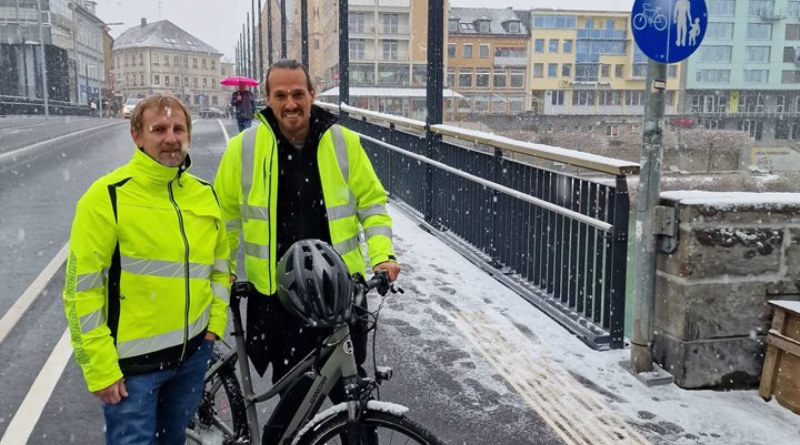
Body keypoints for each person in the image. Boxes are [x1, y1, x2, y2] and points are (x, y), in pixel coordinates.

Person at [214, 58, 400, 397]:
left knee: (354, 399)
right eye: (280, 95)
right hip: (279, 300)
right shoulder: (243, 149)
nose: (290, 103)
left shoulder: (343, 142)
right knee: (293, 408)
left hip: (342, 293)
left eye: (298, 93)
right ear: (267, 99)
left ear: (312, 94)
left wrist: (383, 256)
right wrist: (222, 270)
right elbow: (223, 219)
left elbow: (373, 206)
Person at [62, 94, 230, 445]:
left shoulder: (203, 194)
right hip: (133, 370)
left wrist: (213, 327)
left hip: (191, 359)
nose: (170, 138)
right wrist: (100, 369)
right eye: (159, 129)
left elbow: (219, 268)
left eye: (178, 129)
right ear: (137, 136)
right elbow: (81, 292)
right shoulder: (106, 197)